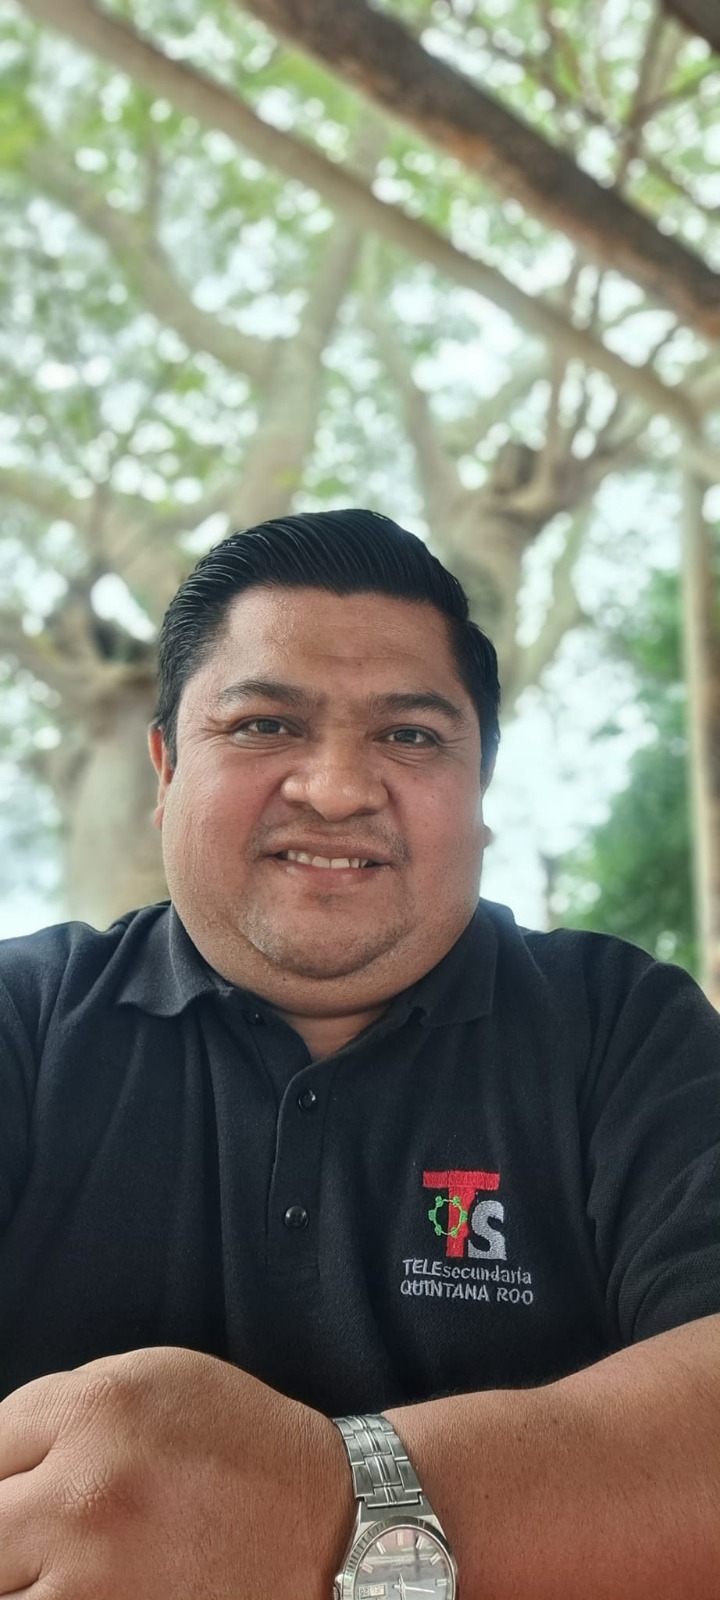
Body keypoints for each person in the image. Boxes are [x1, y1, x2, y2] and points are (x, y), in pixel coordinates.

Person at [0, 507, 718, 1599]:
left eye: (412, 736)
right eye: (263, 724)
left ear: (481, 790)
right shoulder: (24, 1023)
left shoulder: (626, 1028)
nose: (337, 789)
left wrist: (329, 1502)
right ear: (163, 768)